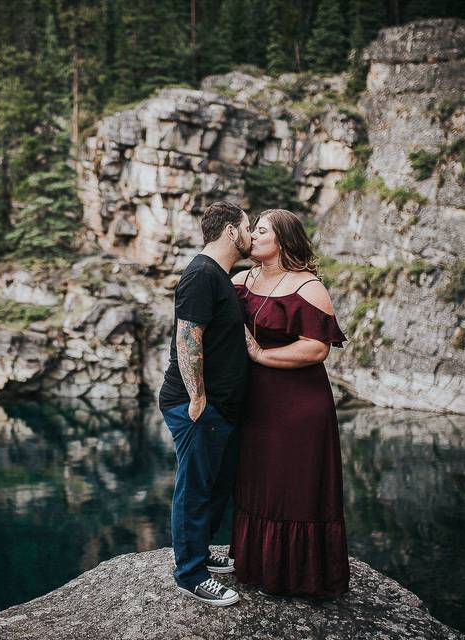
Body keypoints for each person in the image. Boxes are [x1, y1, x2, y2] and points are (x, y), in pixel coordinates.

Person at [230, 208, 350, 598]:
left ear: (282, 239)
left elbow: (316, 349)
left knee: (292, 486)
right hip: (255, 402)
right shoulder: (239, 281)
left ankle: (298, 576)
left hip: (299, 405)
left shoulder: (307, 287)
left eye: (261, 231)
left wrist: (262, 356)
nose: (252, 237)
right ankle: (258, 567)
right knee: (259, 483)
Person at [158, 200, 252, 606]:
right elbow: (188, 336)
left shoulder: (220, 275)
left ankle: (201, 553)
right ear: (231, 231)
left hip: (220, 407)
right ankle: (190, 574)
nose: (251, 234)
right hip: (195, 405)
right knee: (194, 489)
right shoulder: (200, 274)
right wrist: (197, 397)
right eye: (248, 227)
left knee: (217, 485)